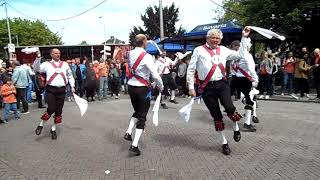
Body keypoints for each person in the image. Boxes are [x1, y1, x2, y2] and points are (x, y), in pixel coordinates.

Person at [187, 27, 251, 155]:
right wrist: (191, 87)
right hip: (206, 87)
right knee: (216, 116)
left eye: (217, 38)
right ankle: (224, 143)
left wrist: (243, 37)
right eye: (213, 37)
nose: (215, 40)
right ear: (207, 38)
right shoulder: (198, 50)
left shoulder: (223, 50)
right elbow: (191, 69)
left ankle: (236, 128)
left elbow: (240, 54)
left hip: (222, 84)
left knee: (229, 108)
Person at [123, 34, 163, 156]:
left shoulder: (130, 54)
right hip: (142, 89)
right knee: (142, 116)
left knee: (137, 112)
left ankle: (128, 132)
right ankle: (134, 145)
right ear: (144, 42)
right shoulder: (147, 56)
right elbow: (155, 74)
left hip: (131, 86)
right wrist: (161, 86)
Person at [34, 48, 75, 140]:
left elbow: (70, 76)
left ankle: (53, 129)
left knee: (58, 112)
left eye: (59, 53)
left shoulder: (65, 64)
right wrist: (38, 58)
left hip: (62, 90)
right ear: (51, 54)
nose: (58, 55)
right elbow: (36, 69)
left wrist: (72, 86)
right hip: (51, 89)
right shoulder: (46, 64)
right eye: (56, 53)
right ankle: (41, 125)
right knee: (51, 108)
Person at [230, 38, 259, 132]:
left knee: (246, 98)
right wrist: (256, 80)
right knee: (249, 99)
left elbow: (232, 70)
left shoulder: (234, 56)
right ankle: (247, 123)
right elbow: (251, 69)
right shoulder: (247, 55)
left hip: (236, 79)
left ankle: (252, 115)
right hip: (245, 79)